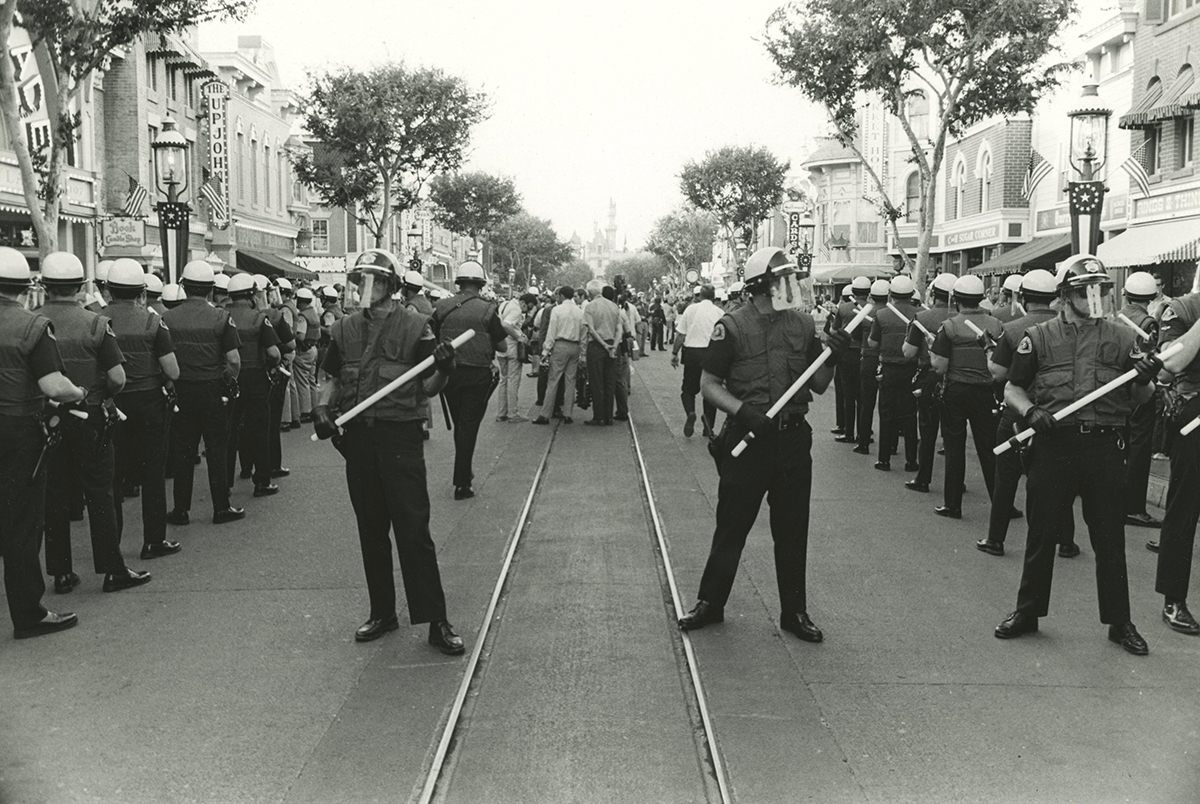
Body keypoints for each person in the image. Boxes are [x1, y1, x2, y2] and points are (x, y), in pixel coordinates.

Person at [678, 247, 849, 642]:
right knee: (732, 526)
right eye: (783, 280)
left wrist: (833, 356)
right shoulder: (732, 327)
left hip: (791, 440)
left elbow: (819, 385)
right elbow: (709, 385)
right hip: (749, 438)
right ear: (762, 286)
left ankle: (795, 612)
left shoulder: (803, 325)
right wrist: (743, 412)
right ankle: (710, 603)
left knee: (792, 529)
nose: (791, 287)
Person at [994, 254, 1156, 656]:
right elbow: (1012, 388)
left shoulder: (1122, 337)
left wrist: (1146, 378)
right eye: (1087, 290)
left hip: (1103, 447)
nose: (1096, 296)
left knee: (1109, 539)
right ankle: (1028, 612)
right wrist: (1031, 411)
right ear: (1065, 295)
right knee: (1042, 533)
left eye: (1101, 288)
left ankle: (1120, 623)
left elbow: (1141, 397)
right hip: (1054, 444)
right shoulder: (1042, 336)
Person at [312, 249, 464, 654]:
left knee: (413, 530)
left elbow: (429, 387)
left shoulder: (416, 327)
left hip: (400, 439)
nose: (365, 288)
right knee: (371, 528)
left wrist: (445, 367)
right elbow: (331, 377)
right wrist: (322, 408)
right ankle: (382, 611)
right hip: (359, 439)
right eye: (360, 280)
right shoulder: (344, 328)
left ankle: (436, 619)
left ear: (391, 287)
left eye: (374, 281)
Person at [37, 252, 151, 595]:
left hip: (49, 418)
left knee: (55, 494)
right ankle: (112, 568)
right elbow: (118, 377)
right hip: (91, 413)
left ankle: (60, 572)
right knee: (101, 491)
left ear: (45, 286)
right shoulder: (96, 324)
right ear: (81, 286)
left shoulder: (33, 321)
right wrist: (100, 391)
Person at [0, 247, 89, 637]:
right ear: (23, 287)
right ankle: (28, 614)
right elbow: (53, 385)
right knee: (21, 524)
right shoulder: (32, 327)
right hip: (18, 431)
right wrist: (79, 392)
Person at [976, 269, 1060, 557]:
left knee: (1006, 478)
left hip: (1019, 412)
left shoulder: (1012, 330)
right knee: (1059, 479)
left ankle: (996, 539)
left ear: (1023, 297)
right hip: (1058, 413)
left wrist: (988, 349)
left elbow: (998, 373)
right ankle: (1067, 541)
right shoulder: (1065, 328)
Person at [106, 258, 182, 561]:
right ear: (141, 292)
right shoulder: (153, 322)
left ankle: (112, 547)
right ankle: (153, 541)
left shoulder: (96, 319)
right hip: (149, 402)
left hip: (112, 403)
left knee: (112, 477)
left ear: (109, 290)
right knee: (153, 473)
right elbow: (173, 370)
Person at [163, 260, 244, 525]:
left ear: (184, 287)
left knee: (184, 451)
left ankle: (181, 510)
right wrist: (227, 379)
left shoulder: (167, 318)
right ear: (210, 289)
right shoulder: (221, 317)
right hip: (212, 389)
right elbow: (233, 359)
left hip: (182, 390)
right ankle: (221, 507)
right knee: (217, 449)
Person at [432, 260, 508, 500]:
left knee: (461, 425)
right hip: (477, 374)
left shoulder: (442, 307)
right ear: (481, 284)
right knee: (469, 426)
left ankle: (464, 472)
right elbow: (503, 346)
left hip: (449, 372)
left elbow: (431, 337)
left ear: (459, 283)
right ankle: (462, 481)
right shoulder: (488, 309)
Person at [929, 274, 1002, 519]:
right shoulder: (995, 325)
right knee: (989, 449)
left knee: (954, 447)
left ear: (956, 299)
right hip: (986, 391)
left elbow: (939, 366)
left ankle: (953, 504)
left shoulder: (949, 326)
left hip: (956, 392)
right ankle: (1002, 503)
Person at [1150, 283, 1200, 635]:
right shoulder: (1182, 310)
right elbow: (1169, 364)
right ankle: (1173, 598)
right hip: (1196, 416)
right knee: (1184, 509)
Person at [225, 273, 281, 498]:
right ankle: (262, 481)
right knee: (260, 429)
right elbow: (274, 353)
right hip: (256, 377)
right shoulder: (259, 318)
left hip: (230, 377)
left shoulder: (222, 316)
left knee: (229, 431)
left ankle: (225, 482)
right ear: (251, 295)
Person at [1118, 272, 1164, 530]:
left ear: (1125, 293)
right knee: (1139, 448)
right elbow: (1150, 358)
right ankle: (1134, 507)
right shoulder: (1148, 322)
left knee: (1121, 446)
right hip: (1139, 388)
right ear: (1152, 296)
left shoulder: (1115, 316)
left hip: (1116, 389)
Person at [904, 273, 957, 493]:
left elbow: (908, 352)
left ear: (934, 294)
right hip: (957, 379)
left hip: (931, 375)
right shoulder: (964, 319)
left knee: (927, 430)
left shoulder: (921, 318)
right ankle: (956, 481)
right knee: (953, 434)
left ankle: (923, 478)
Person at [867, 275, 918, 471]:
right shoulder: (919, 313)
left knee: (886, 414)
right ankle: (911, 460)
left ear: (891, 294)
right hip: (911, 369)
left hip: (888, 369)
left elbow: (873, 343)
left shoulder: (881, 315)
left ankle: (884, 459)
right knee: (909, 415)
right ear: (911, 294)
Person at [670, 284, 723, 437]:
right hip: (711, 353)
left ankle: (691, 412)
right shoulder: (719, 312)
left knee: (688, 389)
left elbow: (680, 335)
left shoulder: (691, 309)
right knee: (711, 390)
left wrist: (674, 353)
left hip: (692, 353)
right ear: (714, 297)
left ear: (700, 295)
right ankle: (708, 426)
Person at [533, 286, 585, 425]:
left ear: (561, 296)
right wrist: (583, 352)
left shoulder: (557, 310)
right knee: (570, 381)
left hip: (560, 345)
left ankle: (545, 414)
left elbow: (551, 332)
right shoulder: (580, 312)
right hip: (575, 347)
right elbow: (584, 334)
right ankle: (568, 414)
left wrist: (545, 350)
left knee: (553, 380)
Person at [262, 276, 295, 477]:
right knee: (271, 422)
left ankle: (248, 467)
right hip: (272, 370)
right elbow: (290, 343)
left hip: (246, 374)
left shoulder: (226, 314)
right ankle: (271, 466)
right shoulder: (274, 315)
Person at [832, 276, 871, 444]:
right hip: (866, 355)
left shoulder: (844, 308)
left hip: (847, 355)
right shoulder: (874, 309)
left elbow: (834, 331)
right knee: (864, 397)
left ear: (853, 292)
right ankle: (865, 432)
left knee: (848, 394)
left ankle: (848, 432)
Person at [853, 279, 889, 455]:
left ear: (871, 296)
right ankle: (890, 445)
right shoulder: (890, 313)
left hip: (868, 358)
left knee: (866, 402)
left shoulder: (866, 312)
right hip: (886, 361)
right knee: (887, 405)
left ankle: (864, 441)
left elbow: (857, 334)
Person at [582, 278, 624, 426]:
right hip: (613, 345)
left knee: (596, 382)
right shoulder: (614, 306)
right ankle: (609, 416)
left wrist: (604, 345)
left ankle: (599, 416)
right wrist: (614, 345)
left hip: (597, 347)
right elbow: (619, 329)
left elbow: (591, 330)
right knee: (610, 382)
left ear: (589, 293)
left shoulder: (590, 307)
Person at [495, 290, 531, 423]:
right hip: (512, 348)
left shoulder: (504, 304)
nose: (525, 310)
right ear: (522, 302)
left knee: (503, 380)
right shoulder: (516, 310)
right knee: (513, 380)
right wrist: (519, 337)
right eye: (527, 307)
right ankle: (512, 413)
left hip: (501, 348)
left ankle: (501, 412)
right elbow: (506, 325)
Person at [293, 287, 320, 423]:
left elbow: (301, 336)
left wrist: (293, 334)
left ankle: (305, 411)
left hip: (304, 350)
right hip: (313, 348)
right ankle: (315, 409)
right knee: (311, 381)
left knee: (302, 381)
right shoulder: (313, 312)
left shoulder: (303, 316)